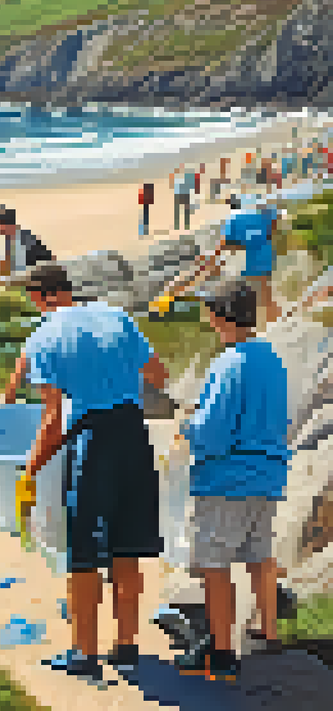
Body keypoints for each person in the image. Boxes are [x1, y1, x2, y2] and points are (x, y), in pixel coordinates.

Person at [1, 264, 169, 683]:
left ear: (40, 298)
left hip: (91, 445)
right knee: (128, 546)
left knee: (84, 553)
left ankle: (84, 652)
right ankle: (127, 646)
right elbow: (158, 375)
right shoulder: (116, 316)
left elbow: (52, 421)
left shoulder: (44, 337)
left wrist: (29, 470)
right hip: (134, 436)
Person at [172, 279, 290, 682]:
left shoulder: (229, 362)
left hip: (228, 479)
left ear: (219, 316)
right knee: (260, 553)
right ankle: (267, 631)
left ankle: (222, 650)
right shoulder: (270, 357)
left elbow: (215, 433)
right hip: (268, 474)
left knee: (215, 563)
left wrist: (187, 428)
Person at [190, 196, 284, 325]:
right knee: (265, 293)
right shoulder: (261, 214)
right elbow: (274, 221)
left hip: (251, 262)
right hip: (265, 256)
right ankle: (275, 320)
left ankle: (267, 322)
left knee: (255, 296)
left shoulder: (233, 220)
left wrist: (211, 260)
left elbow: (225, 245)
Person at [0, 205, 55, 281]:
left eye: (1, 225)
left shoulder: (25, 238)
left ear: (9, 225)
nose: (0, 229)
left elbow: (46, 259)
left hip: (36, 278)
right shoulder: (9, 240)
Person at [173, 165, 195, 231]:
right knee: (182, 211)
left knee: (183, 211)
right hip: (182, 194)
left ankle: (183, 225)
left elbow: (191, 185)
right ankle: (182, 225)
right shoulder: (185, 176)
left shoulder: (185, 176)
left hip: (183, 194)